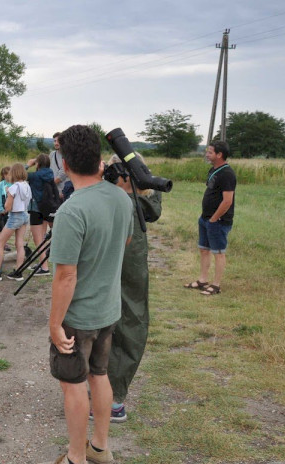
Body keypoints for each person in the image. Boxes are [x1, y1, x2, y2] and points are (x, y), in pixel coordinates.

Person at [40, 125, 133, 464]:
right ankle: (100, 447)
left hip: (78, 317)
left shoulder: (71, 211)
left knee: (74, 384)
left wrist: (55, 324)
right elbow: (123, 244)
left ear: (64, 164)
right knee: (100, 375)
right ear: (97, 159)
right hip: (108, 310)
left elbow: (65, 276)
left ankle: (76, 457)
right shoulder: (121, 197)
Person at [105, 154, 163, 423]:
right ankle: (101, 390)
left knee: (129, 319)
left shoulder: (142, 199)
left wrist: (129, 191)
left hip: (128, 254)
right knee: (102, 318)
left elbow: (153, 209)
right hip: (111, 250)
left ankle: (113, 397)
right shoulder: (111, 194)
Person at [184, 141, 236, 296]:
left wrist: (214, 219)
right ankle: (202, 280)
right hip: (205, 218)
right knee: (204, 250)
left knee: (218, 252)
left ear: (219, 155)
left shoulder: (227, 174)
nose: (207, 154)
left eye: (210, 152)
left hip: (218, 221)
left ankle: (216, 285)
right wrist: (206, 218)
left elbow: (227, 201)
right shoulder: (213, 170)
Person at [0, 163, 31, 282]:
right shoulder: (26, 185)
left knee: (0, 243)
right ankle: (18, 272)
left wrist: (9, 194)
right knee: (19, 244)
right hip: (25, 215)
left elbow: (7, 207)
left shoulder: (14, 187)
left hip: (15, 216)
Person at [26, 153, 55, 276]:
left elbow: (15, 175)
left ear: (37, 163)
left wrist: (27, 165)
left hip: (36, 208)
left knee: (38, 239)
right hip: (47, 208)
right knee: (42, 238)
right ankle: (42, 263)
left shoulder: (34, 176)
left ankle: (44, 268)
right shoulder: (50, 174)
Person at [51, 131, 69, 196]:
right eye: (54, 141)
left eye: (58, 141)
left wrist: (48, 186)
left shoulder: (68, 156)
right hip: (54, 191)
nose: (56, 143)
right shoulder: (52, 154)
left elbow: (62, 175)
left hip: (63, 192)